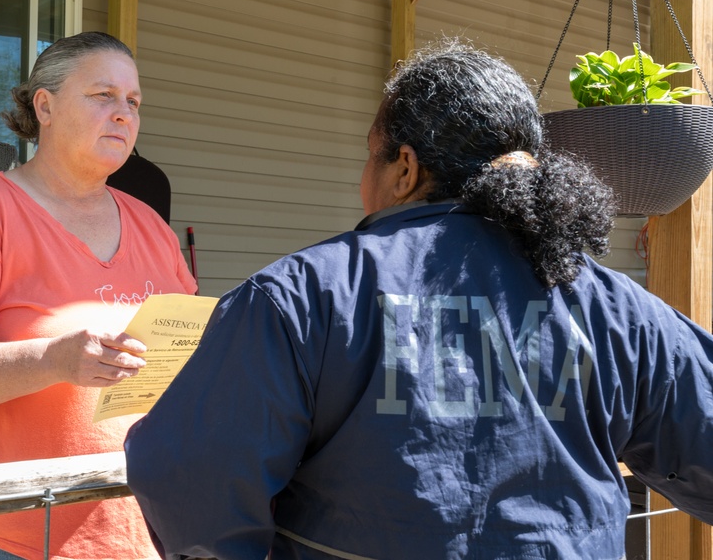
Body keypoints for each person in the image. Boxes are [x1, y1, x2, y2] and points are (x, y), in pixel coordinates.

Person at [124, 40, 713, 559]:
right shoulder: (618, 307)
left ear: (404, 168)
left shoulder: (302, 296)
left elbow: (190, 473)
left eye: (369, 154)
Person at [0, 31, 197, 560]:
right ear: (46, 106)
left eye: (133, 101)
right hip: (10, 530)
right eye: (103, 95)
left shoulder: (152, 226)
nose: (123, 113)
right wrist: (53, 358)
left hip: (137, 526)